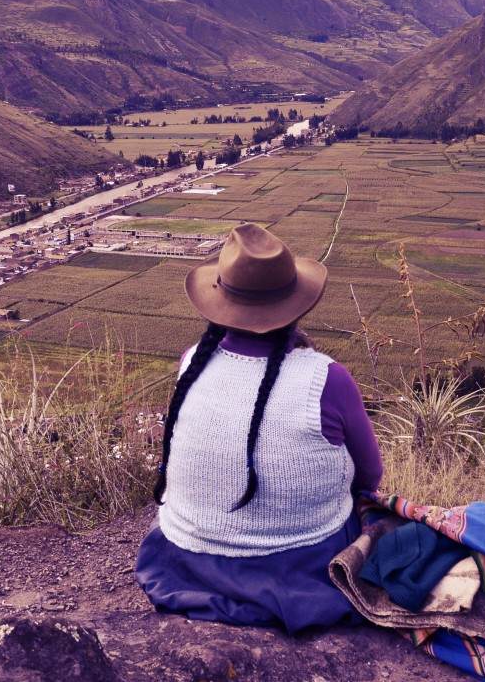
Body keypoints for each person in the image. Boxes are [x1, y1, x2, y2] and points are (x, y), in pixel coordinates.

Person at [135, 223, 382, 633]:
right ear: (296, 305)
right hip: (299, 562)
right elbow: (370, 477)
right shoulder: (327, 379)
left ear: (219, 301)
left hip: (189, 558)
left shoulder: (192, 362)